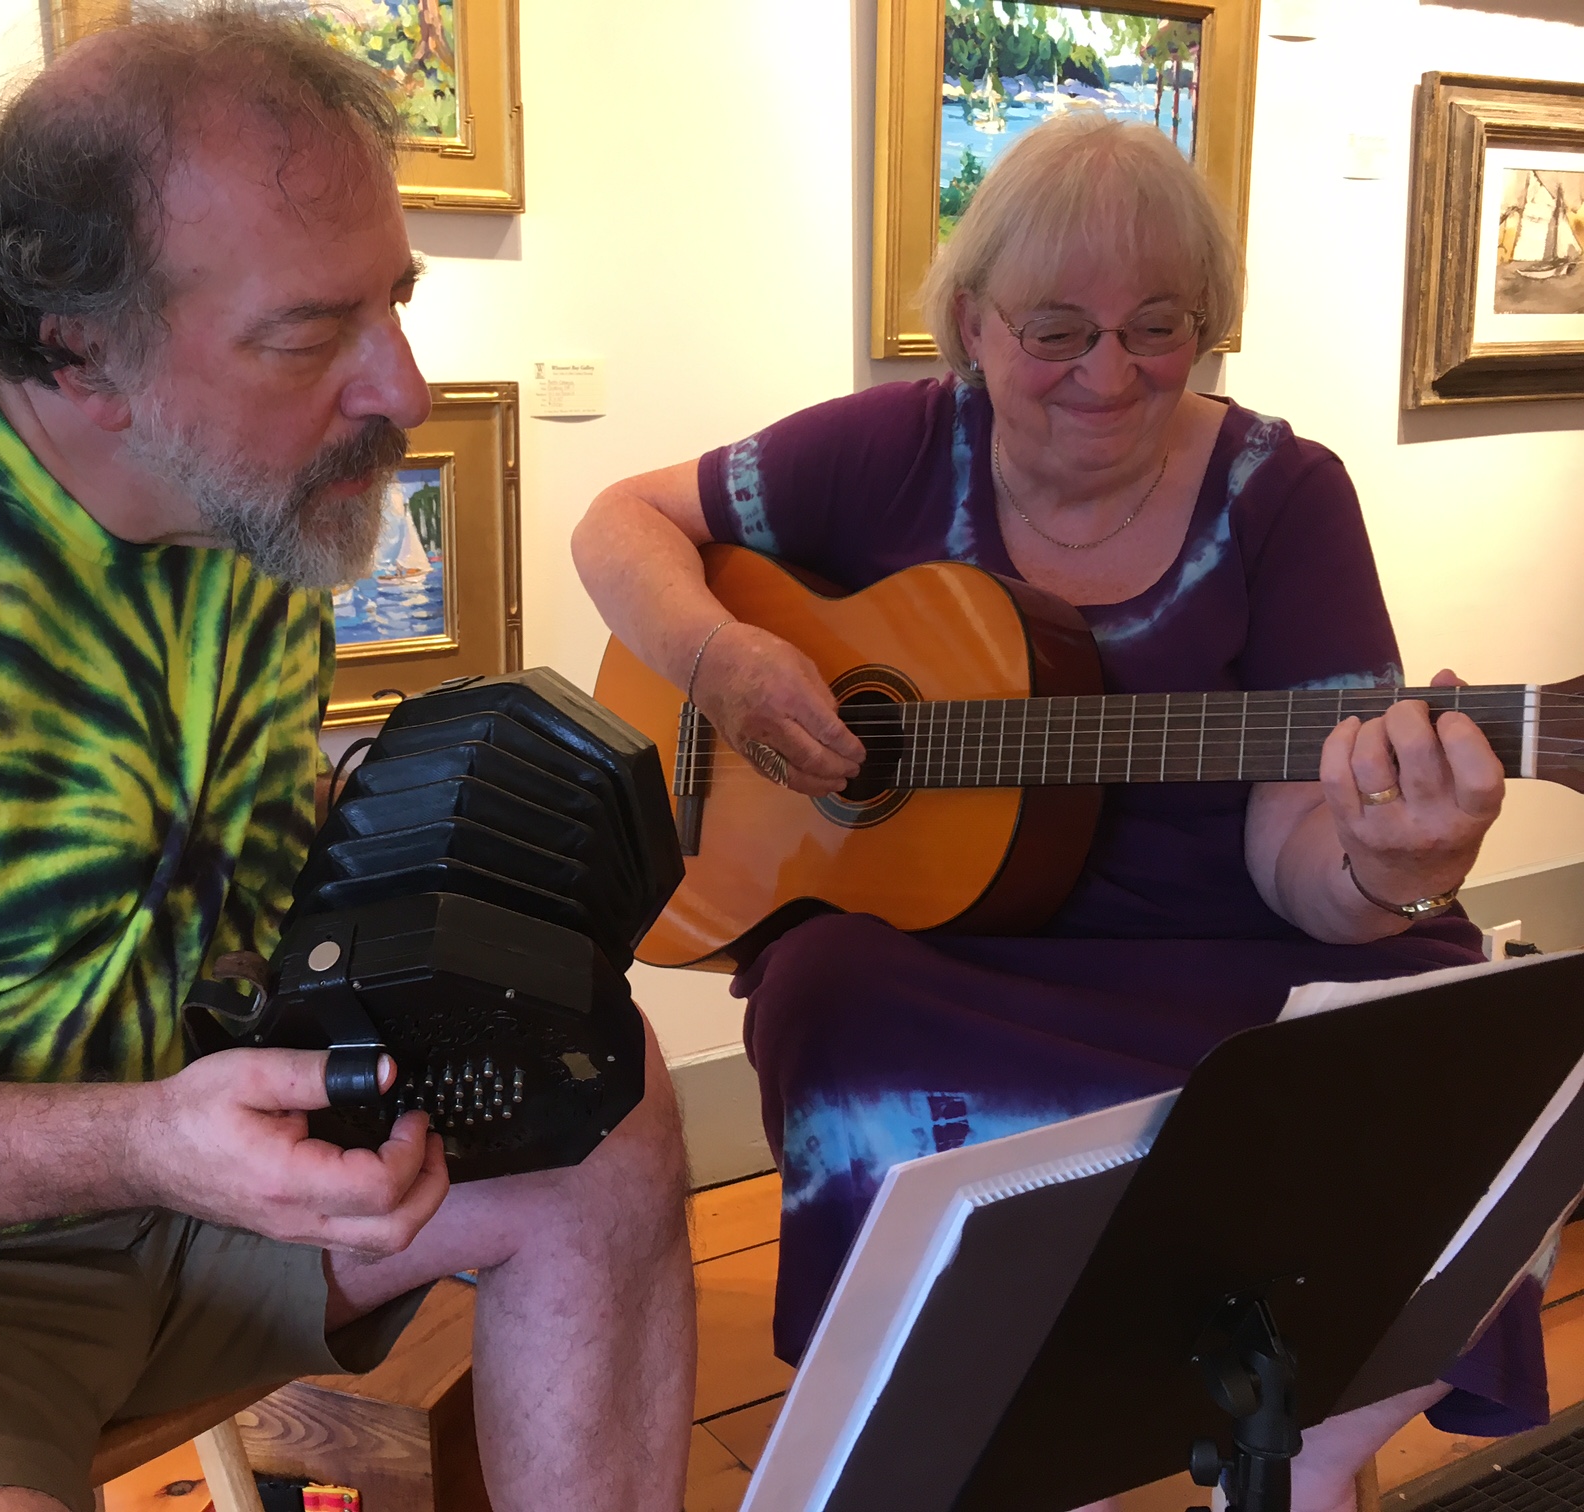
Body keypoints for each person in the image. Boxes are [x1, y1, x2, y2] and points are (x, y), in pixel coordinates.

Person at [0, 9, 693, 1510]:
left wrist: (352, 811)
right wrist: (146, 1143)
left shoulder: (259, 509)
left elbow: (137, 857)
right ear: (80, 347)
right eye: (310, 331)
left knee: (608, 1120)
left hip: (193, 1181)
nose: (404, 389)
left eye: (395, 302)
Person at [573, 110, 1534, 1512]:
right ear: (970, 321)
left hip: (1232, 944)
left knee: (1431, 1048)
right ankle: (977, 1432)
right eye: (1056, 330)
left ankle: (1299, 1461)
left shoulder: (1282, 495)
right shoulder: (891, 449)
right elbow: (621, 523)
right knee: (827, 995)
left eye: (1159, 326)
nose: (1110, 373)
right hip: (946, 956)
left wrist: (1397, 861)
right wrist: (722, 656)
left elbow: (1300, 859)